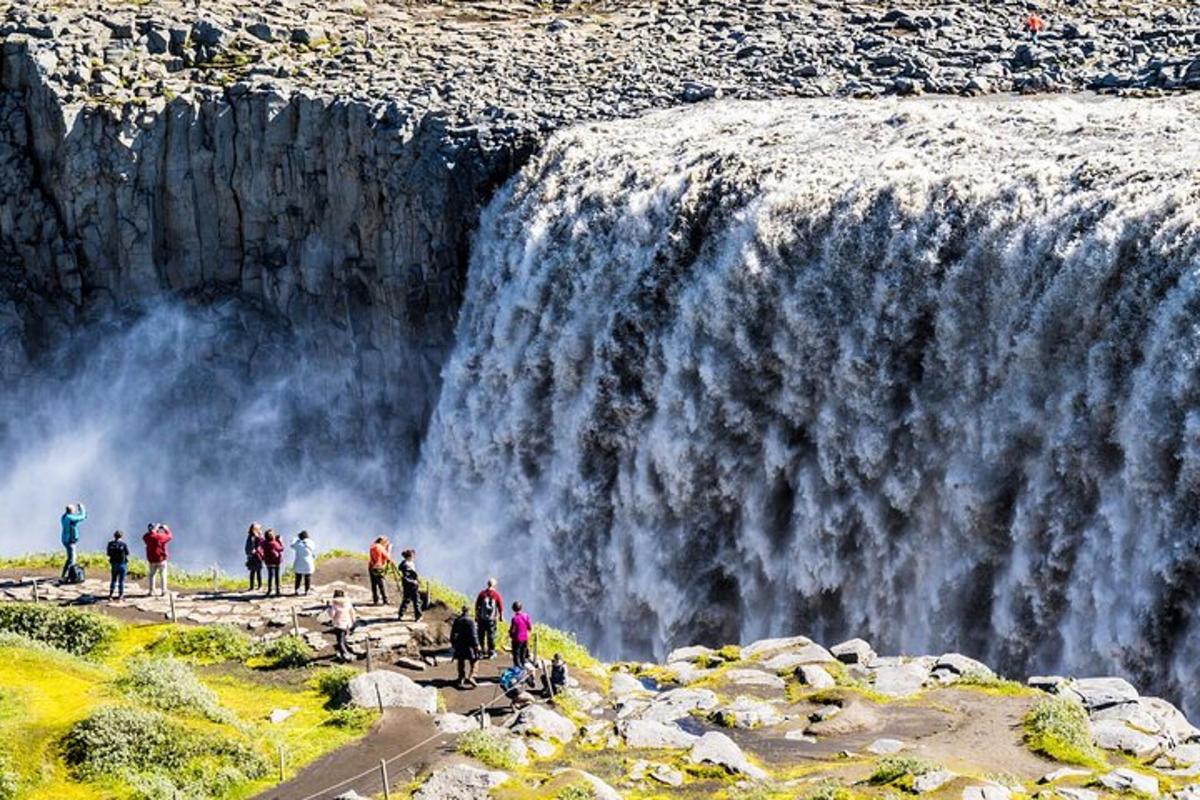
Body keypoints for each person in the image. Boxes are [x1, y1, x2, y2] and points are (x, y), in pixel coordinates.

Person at [450, 604, 480, 689]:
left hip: (460, 644)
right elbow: (474, 635)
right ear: (468, 611)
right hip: (469, 645)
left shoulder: (457, 620)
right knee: (475, 660)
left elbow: (453, 633)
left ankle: (461, 677)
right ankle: (472, 676)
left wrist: (453, 643)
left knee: (460, 661)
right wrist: (477, 645)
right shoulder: (471, 621)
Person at [474, 577, 504, 659]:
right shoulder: (496, 595)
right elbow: (500, 606)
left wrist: (476, 616)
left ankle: (480, 652)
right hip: (492, 620)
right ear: (494, 585)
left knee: (481, 636)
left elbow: (477, 606)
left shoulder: (482, 594)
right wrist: (501, 616)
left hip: (482, 619)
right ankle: (491, 652)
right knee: (491, 636)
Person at [142, 522, 173, 597]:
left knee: (152, 575)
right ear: (154, 529)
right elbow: (169, 537)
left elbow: (148, 535)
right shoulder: (159, 537)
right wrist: (166, 529)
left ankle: (151, 591)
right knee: (163, 575)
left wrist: (154, 530)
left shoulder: (146, 537)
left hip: (151, 560)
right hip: (161, 559)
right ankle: (163, 591)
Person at [328, 588, 358, 663]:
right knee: (343, 638)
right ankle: (343, 653)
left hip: (339, 624)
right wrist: (353, 621)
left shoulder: (335, 605)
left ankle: (346, 654)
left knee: (340, 641)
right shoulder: (348, 603)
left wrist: (329, 609)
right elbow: (352, 612)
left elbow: (332, 615)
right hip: (347, 624)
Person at [60, 502, 86, 581]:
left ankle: (64, 574)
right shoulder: (70, 518)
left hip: (65, 539)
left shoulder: (64, 517)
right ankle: (70, 576)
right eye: (74, 509)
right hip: (70, 541)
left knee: (69, 558)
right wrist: (82, 508)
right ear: (71, 511)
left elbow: (75, 519)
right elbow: (82, 517)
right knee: (73, 559)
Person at [397, 549, 421, 622]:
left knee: (406, 599)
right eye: (413, 556)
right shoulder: (407, 565)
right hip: (412, 585)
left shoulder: (405, 563)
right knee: (416, 601)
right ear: (409, 556)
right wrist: (414, 582)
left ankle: (401, 614)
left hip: (407, 585)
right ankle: (418, 616)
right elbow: (406, 577)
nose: (414, 557)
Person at [368, 536, 392, 605]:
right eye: (385, 541)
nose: (386, 543)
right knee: (382, 584)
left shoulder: (373, 546)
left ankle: (375, 600)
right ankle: (385, 600)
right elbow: (388, 557)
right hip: (379, 567)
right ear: (382, 541)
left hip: (371, 566)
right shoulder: (381, 548)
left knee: (374, 584)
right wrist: (389, 549)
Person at [291, 530, 316, 595]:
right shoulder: (311, 543)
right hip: (308, 563)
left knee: (298, 577)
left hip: (299, 563)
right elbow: (313, 549)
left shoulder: (298, 544)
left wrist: (294, 540)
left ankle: (297, 590)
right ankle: (306, 591)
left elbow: (292, 545)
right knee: (307, 578)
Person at [106, 530, 129, 600]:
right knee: (121, 581)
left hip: (114, 564)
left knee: (113, 579)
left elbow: (108, 554)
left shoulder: (110, 544)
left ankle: (110, 594)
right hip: (122, 564)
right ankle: (120, 595)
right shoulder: (123, 544)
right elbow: (127, 553)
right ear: (121, 536)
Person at [509, 601, 532, 668]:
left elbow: (512, 630)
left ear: (513, 609)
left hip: (517, 640)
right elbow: (529, 627)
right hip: (525, 638)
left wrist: (510, 634)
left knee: (516, 655)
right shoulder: (526, 616)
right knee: (523, 654)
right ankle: (523, 668)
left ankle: (518, 669)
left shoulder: (514, 619)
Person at [262, 529, 284, 597]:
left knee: (270, 576)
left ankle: (269, 589)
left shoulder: (264, 543)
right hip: (276, 561)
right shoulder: (274, 543)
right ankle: (277, 590)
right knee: (277, 576)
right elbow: (281, 548)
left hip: (268, 562)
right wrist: (280, 541)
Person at [244, 523, 264, 591]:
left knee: (257, 571)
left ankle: (259, 586)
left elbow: (262, 544)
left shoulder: (257, 536)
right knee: (253, 571)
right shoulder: (251, 537)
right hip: (254, 556)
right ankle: (253, 586)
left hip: (257, 556)